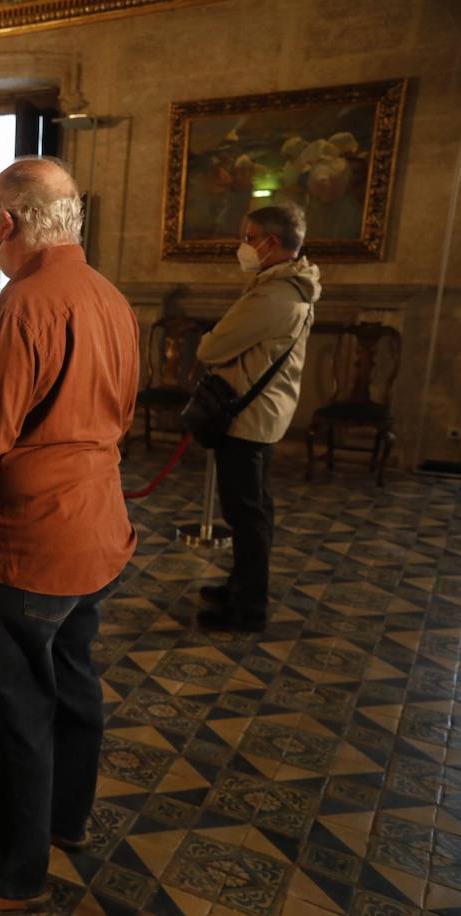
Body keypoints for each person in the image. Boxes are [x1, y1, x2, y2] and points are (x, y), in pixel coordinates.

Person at [0, 157, 139, 911]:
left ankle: (10, 876)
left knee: (12, 714)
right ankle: (65, 820)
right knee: (72, 685)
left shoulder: (23, 304)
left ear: (7, 223)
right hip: (96, 532)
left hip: (22, 546)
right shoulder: (109, 297)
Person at [196, 203, 318, 632]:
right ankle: (239, 586)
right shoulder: (290, 286)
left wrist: (212, 339)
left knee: (246, 516)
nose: (242, 246)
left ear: (271, 242)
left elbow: (211, 348)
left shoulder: (274, 295)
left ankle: (247, 607)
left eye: (248, 238)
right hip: (263, 414)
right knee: (252, 512)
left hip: (248, 419)